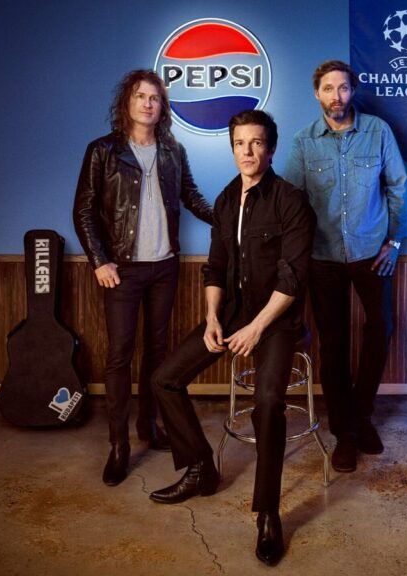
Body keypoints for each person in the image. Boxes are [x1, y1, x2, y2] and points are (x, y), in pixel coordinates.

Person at [148, 110, 315, 567]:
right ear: (233, 148)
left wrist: (256, 328)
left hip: (275, 321)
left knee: (267, 402)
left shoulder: (291, 201)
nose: (248, 151)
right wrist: (211, 318)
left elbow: (293, 277)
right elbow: (216, 267)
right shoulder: (225, 201)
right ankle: (201, 468)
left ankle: (268, 514)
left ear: (271, 149)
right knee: (164, 379)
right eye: (240, 143)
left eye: (257, 143)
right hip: (232, 315)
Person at [73, 69, 213, 486]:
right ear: (127, 102)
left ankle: (149, 427)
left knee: (157, 352)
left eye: (154, 98)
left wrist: (231, 217)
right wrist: (99, 261)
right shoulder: (103, 151)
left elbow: (191, 197)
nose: (148, 103)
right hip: (122, 270)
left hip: (165, 266)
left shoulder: (172, 151)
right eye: (140, 96)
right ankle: (119, 445)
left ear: (162, 107)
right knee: (120, 355)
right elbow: (83, 209)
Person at [282, 60, 407, 473]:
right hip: (322, 258)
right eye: (328, 89)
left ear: (352, 90)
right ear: (316, 94)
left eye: (342, 88)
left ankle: (362, 415)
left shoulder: (378, 131)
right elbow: (291, 202)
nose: (336, 96)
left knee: (381, 328)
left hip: (372, 252)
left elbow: (398, 187)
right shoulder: (304, 142)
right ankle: (345, 432)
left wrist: (395, 241)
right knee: (333, 344)